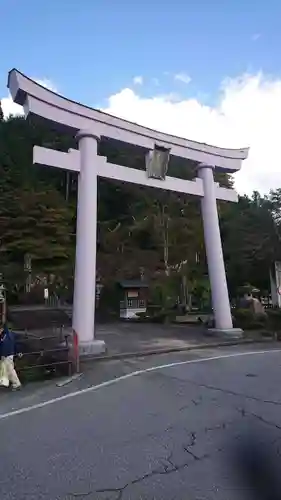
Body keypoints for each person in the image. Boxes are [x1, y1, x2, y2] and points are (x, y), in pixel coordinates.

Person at [0, 322, 21, 390]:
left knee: (10, 370)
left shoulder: (6, 335)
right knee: (7, 369)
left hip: (7, 355)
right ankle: (8, 383)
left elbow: (7, 345)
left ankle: (16, 383)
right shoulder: (8, 334)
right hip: (7, 354)